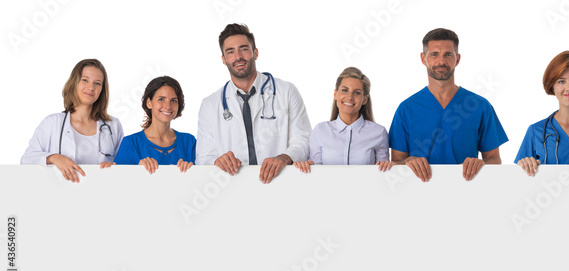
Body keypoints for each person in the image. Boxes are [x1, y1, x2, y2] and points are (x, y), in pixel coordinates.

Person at [388, 28, 508, 182]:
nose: (441, 62)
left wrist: (482, 164)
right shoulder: (406, 109)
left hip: (468, 193)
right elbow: (396, 161)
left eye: (448, 55)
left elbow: (494, 159)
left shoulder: (480, 106)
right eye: (434, 54)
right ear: (423, 58)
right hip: (418, 195)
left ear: (457, 59)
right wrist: (407, 162)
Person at [196, 23, 311, 184]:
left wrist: (284, 158)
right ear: (223, 59)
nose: (238, 57)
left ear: (255, 53)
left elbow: (303, 140)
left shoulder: (287, 91)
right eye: (230, 52)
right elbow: (203, 157)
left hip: (281, 183)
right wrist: (217, 161)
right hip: (232, 187)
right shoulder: (209, 105)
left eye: (243, 49)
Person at [21, 58, 124, 183]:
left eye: (97, 83)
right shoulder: (52, 123)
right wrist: (53, 158)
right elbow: (26, 160)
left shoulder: (113, 125)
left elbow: (125, 164)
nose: (91, 87)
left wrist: (115, 167)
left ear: (102, 89)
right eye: (85, 80)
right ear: (74, 82)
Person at [293, 67, 392, 173]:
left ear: (365, 99)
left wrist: (386, 166)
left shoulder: (379, 132)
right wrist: (303, 166)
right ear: (336, 94)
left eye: (357, 93)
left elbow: (382, 175)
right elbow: (316, 172)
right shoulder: (320, 131)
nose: (350, 97)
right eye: (345, 90)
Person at [114, 76, 196, 174]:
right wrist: (137, 172)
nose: (168, 106)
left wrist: (191, 172)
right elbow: (119, 184)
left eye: (173, 100)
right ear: (149, 103)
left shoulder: (189, 142)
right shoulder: (131, 144)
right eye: (161, 99)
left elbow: (202, 179)